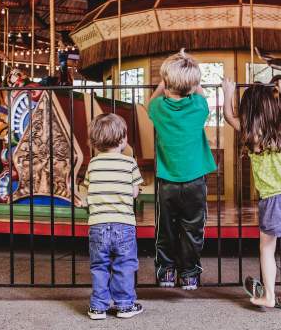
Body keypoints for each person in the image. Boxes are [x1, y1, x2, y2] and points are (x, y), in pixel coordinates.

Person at [222, 78, 281, 311]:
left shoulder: (251, 131)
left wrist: (228, 93)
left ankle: (269, 296)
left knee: (267, 248)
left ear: (248, 109)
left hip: (274, 199)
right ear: (272, 106)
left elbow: (228, 117)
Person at [148, 49, 216, 290]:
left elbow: (152, 100)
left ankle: (165, 271)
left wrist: (164, 82)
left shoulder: (158, 109)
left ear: (167, 82)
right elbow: (201, 91)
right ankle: (189, 274)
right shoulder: (199, 106)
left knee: (165, 227)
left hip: (167, 179)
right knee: (193, 227)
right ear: (193, 84)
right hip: (195, 180)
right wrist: (191, 76)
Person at [84, 113, 144, 320]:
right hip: (124, 224)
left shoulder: (92, 164)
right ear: (123, 139)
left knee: (99, 266)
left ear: (95, 141)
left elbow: (88, 189)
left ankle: (98, 307)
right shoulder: (129, 164)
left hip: (98, 225)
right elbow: (134, 191)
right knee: (124, 265)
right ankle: (124, 305)